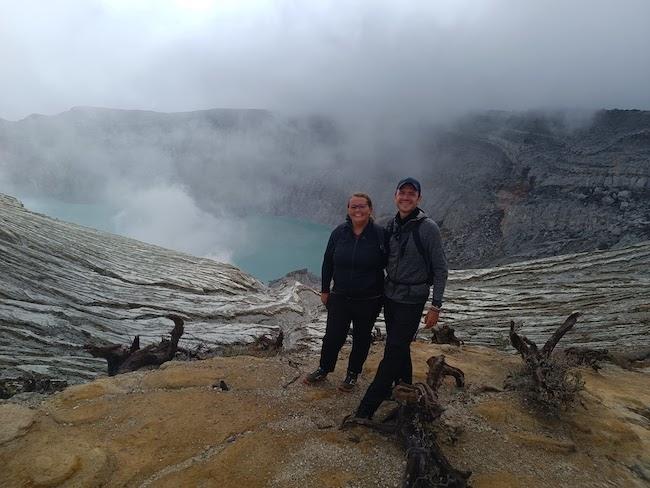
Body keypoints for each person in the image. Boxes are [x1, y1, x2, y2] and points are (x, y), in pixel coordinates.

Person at [354, 177, 448, 418]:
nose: (406, 197)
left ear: (418, 198)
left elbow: (440, 269)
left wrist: (435, 306)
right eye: (402, 193)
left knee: (393, 349)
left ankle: (366, 409)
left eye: (411, 194)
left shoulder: (428, 228)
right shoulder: (391, 225)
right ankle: (404, 388)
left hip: (412, 299)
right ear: (395, 196)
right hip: (391, 296)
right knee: (400, 346)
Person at [304, 192, 386, 392]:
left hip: (369, 298)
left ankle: (352, 374)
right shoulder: (339, 232)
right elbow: (327, 261)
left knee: (362, 337)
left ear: (370, 209)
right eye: (354, 207)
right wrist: (325, 290)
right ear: (348, 210)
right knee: (332, 336)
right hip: (340, 296)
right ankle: (324, 368)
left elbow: (391, 264)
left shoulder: (380, 234)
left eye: (362, 206)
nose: (358, 210)